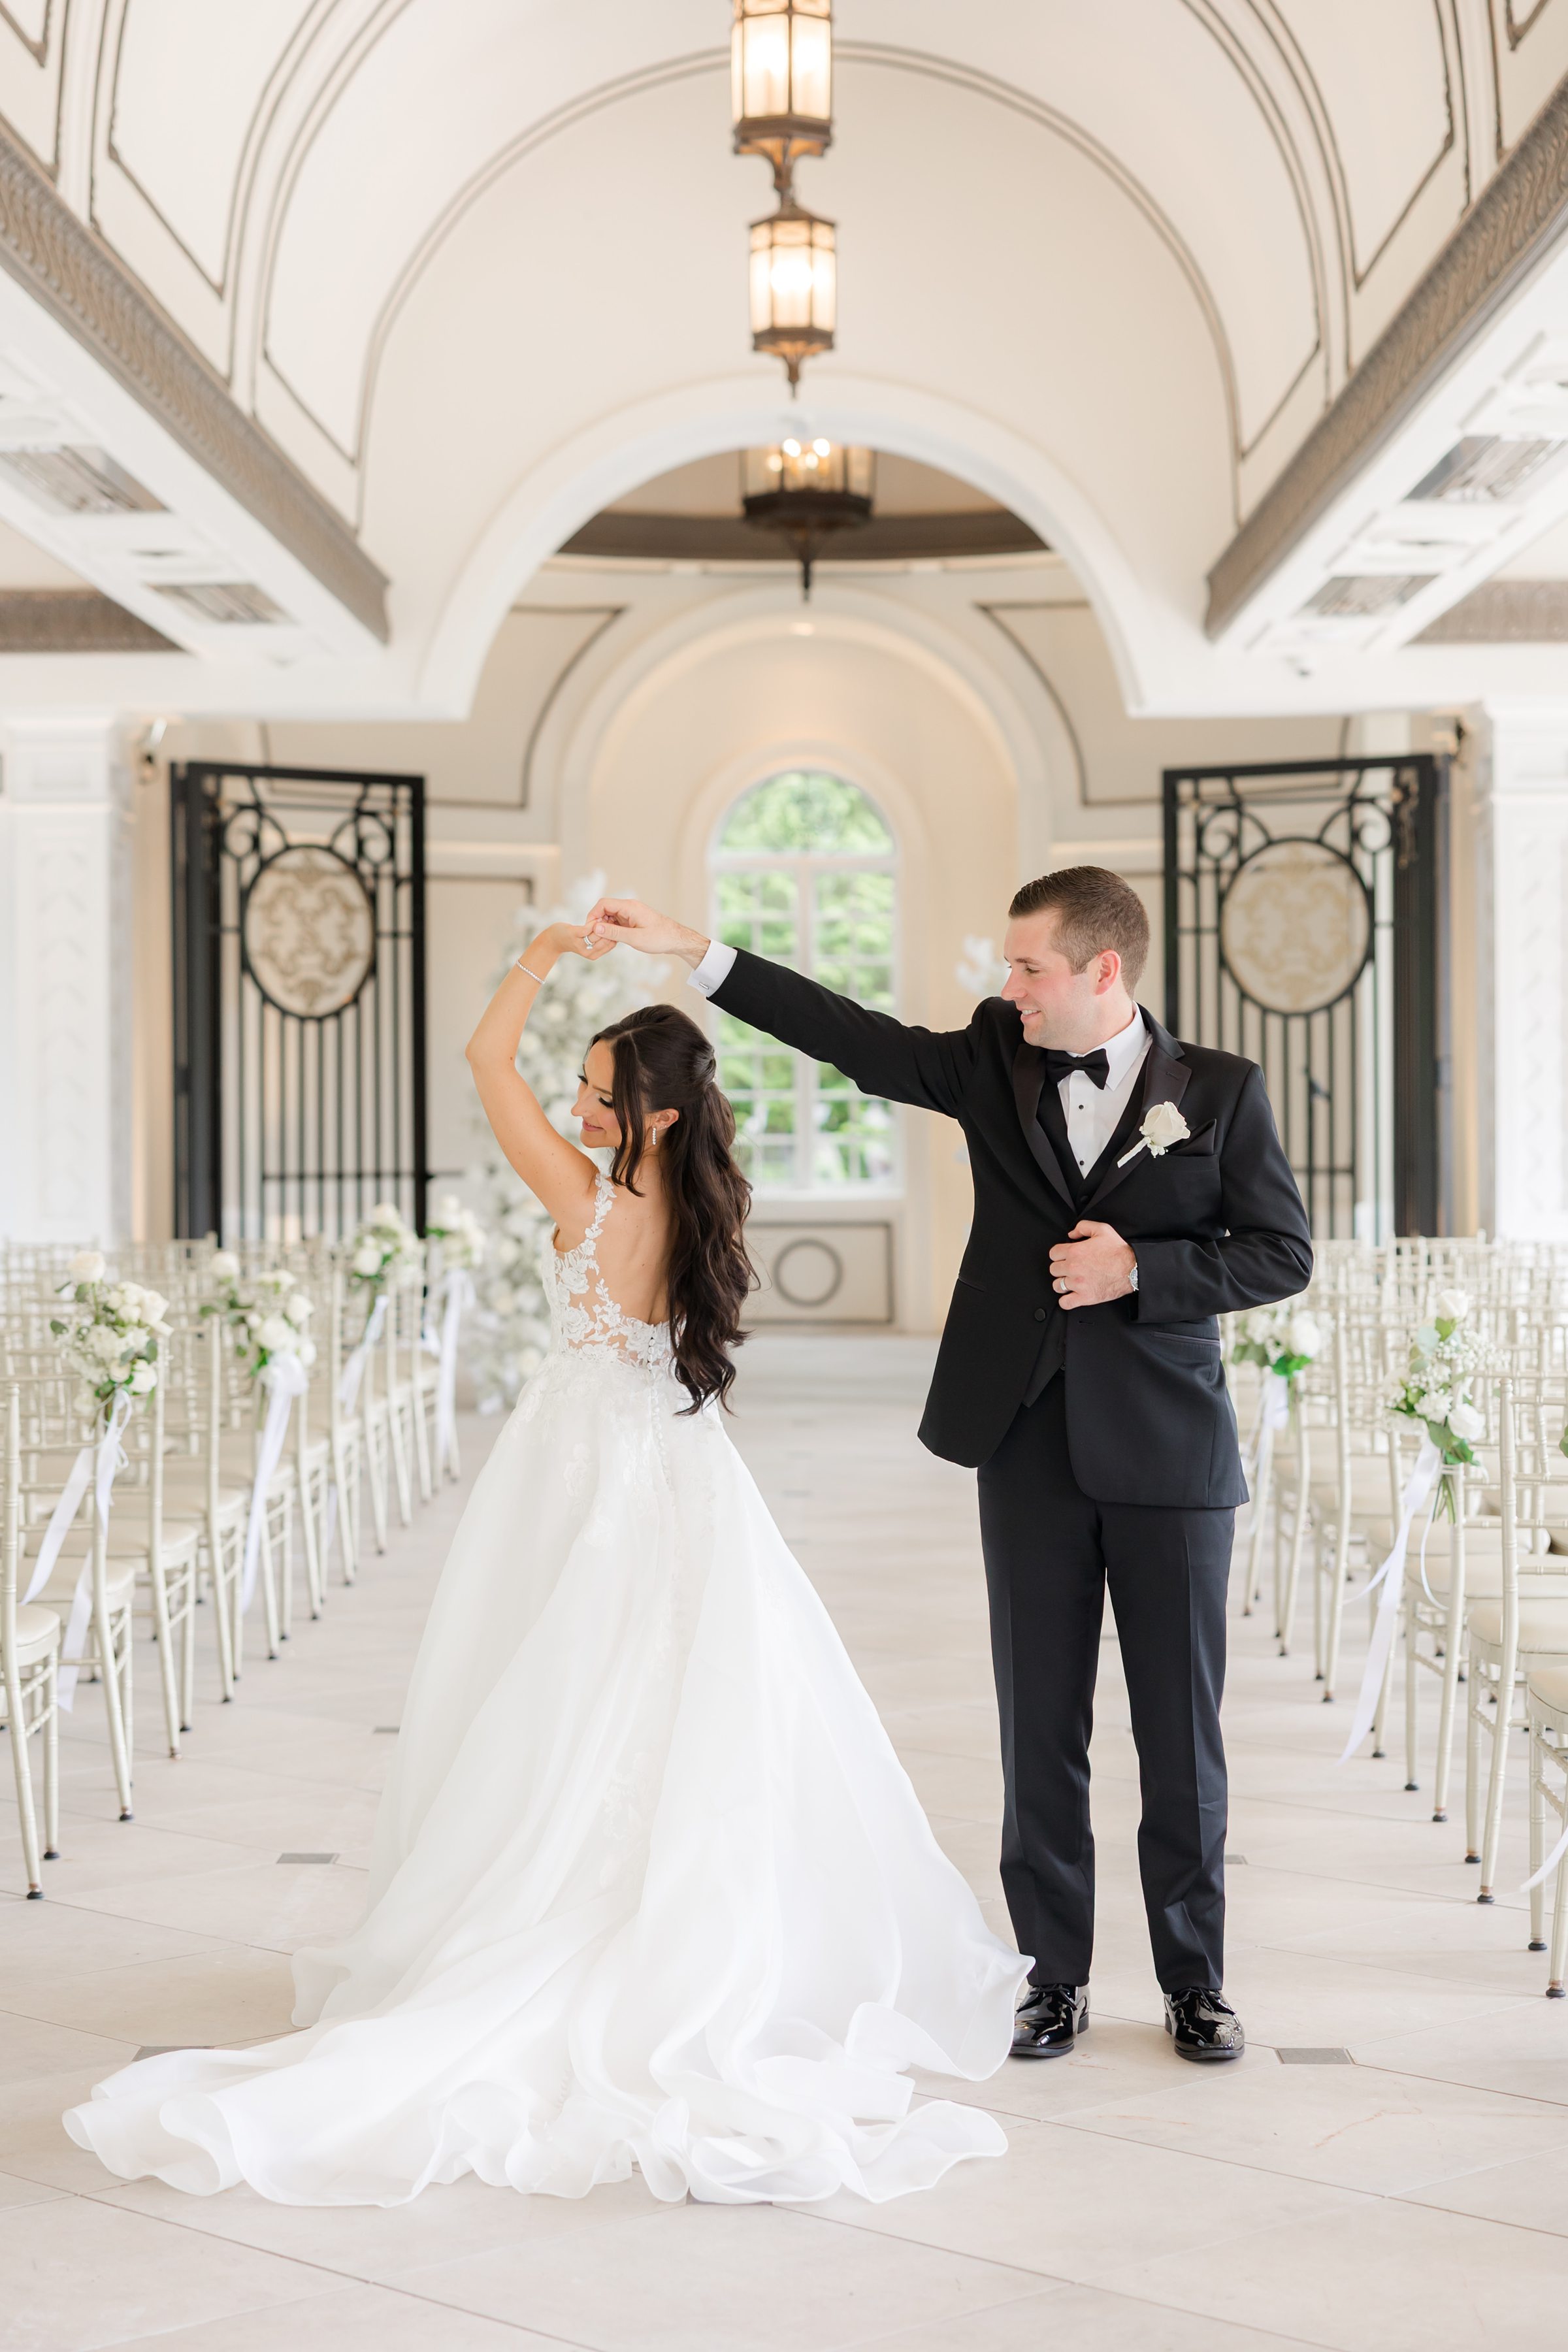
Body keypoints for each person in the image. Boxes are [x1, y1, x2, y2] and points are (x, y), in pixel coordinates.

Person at [65, 920, 1024, 2207]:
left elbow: (479, 1056)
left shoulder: (594, 1197)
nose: (576, 1104)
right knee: (675, 1697)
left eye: (601, 1090)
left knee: (555, 1692)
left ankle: (551, 1921)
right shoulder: (694, 1206)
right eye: (577, 1084)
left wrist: (538, 953)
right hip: (674, 1466)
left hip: (582, 1467)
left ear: (662, 1115)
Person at [586, 868, 1312, 2065]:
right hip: (1021, 1437)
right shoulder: (993, 1056)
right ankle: (1052, 1978)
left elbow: (1280, 1252)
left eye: (1029, 968)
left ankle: (1195, 1982)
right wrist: (695, 953)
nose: (1008, 987)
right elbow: (854, 1041)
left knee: (1182, 1736)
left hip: (1172, 1455)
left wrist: (1144, 1272)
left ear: (1103, 972)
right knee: (1041, 1728)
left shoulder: (1221, 1090)